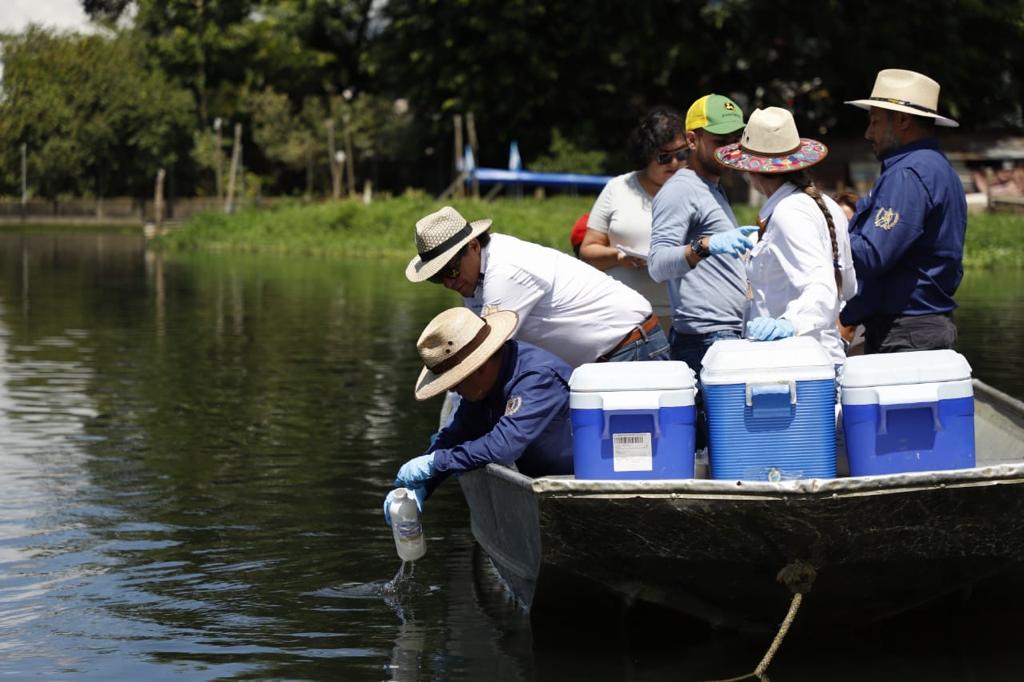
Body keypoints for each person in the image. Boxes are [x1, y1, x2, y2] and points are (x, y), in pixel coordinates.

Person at [405, 206, 669, 367]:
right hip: (603, 359)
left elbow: (486, 356)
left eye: (450, 270)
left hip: (633, 348)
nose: (449, 282)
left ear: (473, 246)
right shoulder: (474, 278)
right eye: (437, 277)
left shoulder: (505, 271)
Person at [383, 308, 573, 521]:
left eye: (455, 381)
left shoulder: (536, 379)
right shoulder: (483, 388)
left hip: (580, 491)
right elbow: (457, 434)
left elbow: (503, 447)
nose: (453, 390)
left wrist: (436, 463)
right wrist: (423, 484)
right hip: (548, 490)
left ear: (479, 368)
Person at [714, 106, 857, 367]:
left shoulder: (788, 212)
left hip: (796, 362)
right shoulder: (828, 205)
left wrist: (788, 323)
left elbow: (823, 287)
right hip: (820, 357)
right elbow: (847, 286)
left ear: (752, 170)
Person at [648, 94, 752, 448]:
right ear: (692, 140)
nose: (731, 149)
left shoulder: (712, 188)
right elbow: (658, 264)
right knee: (723, 450)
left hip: (725, 336)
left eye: (736, 139)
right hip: (705, 340)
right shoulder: (680, 190)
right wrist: (703, 247)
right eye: (720, 141)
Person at [840, 68, 967, 354]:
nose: (867, 133)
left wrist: (826, 236)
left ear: (902, 120)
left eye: (874, 122)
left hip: (905, 332)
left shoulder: (907, 174)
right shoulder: (936, 168)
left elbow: (873, 255)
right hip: (921, 328)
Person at [580, 106, 687, 320]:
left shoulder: (698, 191)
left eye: (682, 154)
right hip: (622, 314)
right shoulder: (617, 187)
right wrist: (618, 257)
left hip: (682, 314)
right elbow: (587, 252)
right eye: (664, 157)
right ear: (646, 155)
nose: (675, 163)